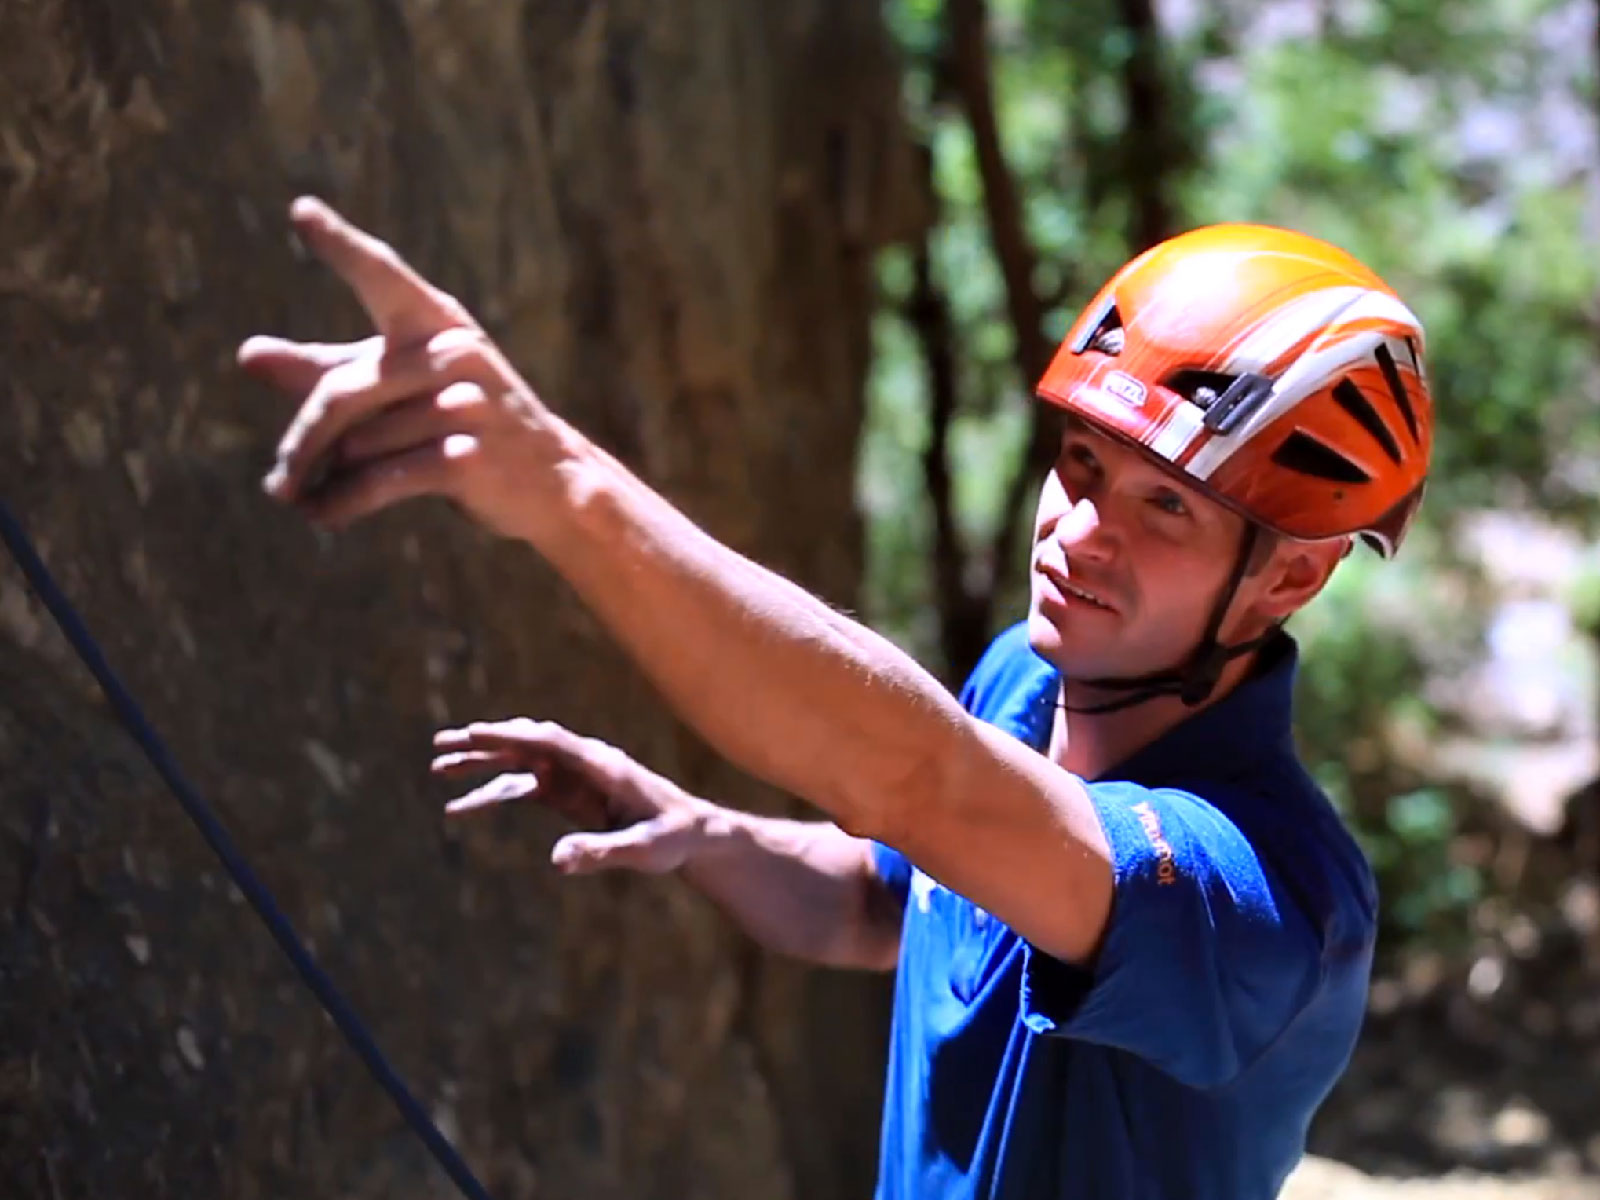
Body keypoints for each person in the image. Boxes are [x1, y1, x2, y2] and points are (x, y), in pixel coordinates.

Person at [242, 201, 1433, 1199]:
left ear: (1287, 574)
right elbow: (890, 905)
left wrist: (561, 483)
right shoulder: (1025, 681)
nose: (1080, 532)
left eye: (1163, 507)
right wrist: (711, 836)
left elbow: (922, 784)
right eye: (1080, 466)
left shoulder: (1270, 900)